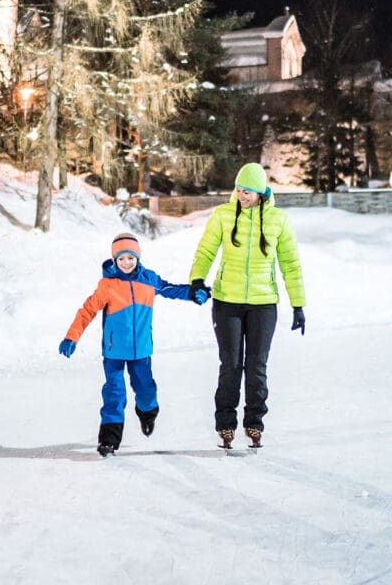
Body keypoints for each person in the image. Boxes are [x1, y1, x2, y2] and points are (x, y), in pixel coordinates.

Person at [59, 232, 209, 456]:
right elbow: (87, 311)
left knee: (145, 389)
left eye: (130, 258)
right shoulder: (108, 285)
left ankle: (148, 413)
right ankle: (108, 440)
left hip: (141, 351)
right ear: (115, 260)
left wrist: (192, 293)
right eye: (121, 259)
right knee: (114, 393)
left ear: (137, 258)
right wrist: (72, 336)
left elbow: (170, 289)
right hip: (114, 352)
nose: (126, 263)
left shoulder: (148, 279)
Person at [189, 163, 306, 449]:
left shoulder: (279, 220)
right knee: (230, 365)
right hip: (226, 301)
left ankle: (254, 423)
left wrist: (298, 304)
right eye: (239, 190)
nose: (242, 195)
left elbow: (290, 264)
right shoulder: (223, 215)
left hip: (263, 303)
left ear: (261, 192)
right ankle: (226, 424)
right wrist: (196, 279)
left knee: (256, 366)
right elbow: (206, 249)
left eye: (248, 191)